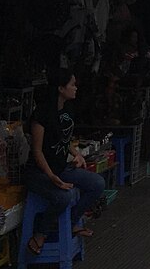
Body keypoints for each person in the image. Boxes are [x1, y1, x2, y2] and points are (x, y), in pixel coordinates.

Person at [23, 68, 105, 257]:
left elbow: (64, 140)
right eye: (72, 84)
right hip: (39, 172)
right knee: (63, 197)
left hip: (61, 168)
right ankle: (41, 233)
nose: (76, 88)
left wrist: (76, 154)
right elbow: (37, 151)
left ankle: (71, 223)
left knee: (97, 183)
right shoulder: (42, 114)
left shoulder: (68, 109)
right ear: (60, 88)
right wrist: (51, 176)